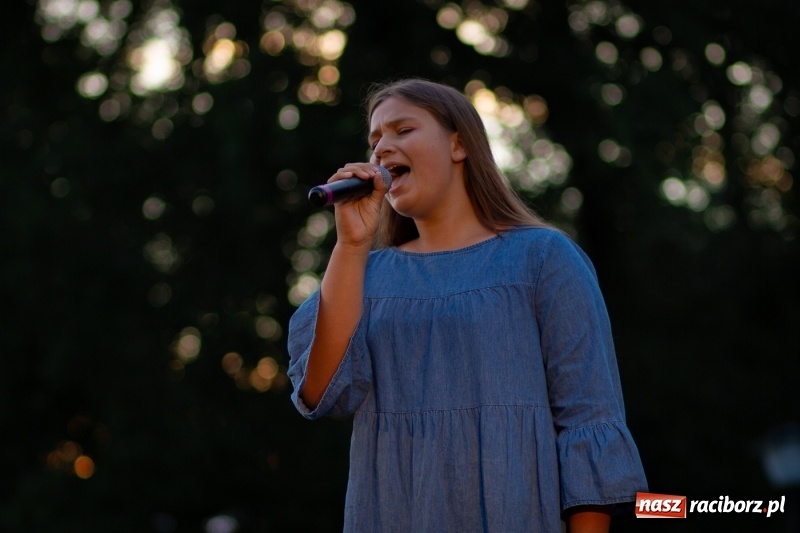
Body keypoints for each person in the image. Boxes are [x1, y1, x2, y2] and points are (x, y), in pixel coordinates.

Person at [287, 78, 647, 532]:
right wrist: (352, 244)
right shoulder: (364, 274)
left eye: (402, 130)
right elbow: (320, 392)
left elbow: (587, 423)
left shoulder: (542, 259)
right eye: (374, 140)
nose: (380, 150)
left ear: (459, 144)